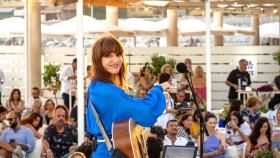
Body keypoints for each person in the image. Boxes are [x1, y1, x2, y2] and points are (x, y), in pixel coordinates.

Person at [86, 36, 170, 158]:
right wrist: (158, 90)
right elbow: (144, 111)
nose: (116, 60)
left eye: (118, 54)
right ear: (98, 59)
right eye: (109, 55)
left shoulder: (95, 86)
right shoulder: (107, 90)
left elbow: (129, 104)